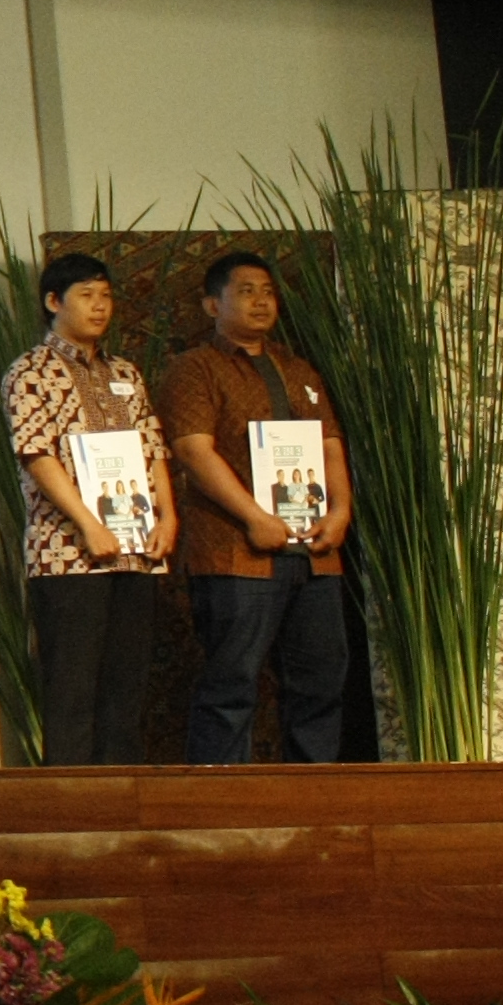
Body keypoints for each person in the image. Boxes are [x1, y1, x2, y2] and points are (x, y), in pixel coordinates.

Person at [159, 249, 354, 765]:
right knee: (232, 683)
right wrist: (255, 518)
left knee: (321, 680)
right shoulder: (195, 368)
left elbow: (330, 445)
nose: (262, 301)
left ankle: (314, 791)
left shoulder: (298, 368)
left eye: (268, 292)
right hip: (238, 553)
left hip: (315, 554)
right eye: (246, 292)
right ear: (212, 305)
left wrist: (340, 512)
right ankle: (221, 799)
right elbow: (193, 451)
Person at [5, 252, 176, 766]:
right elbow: (36, 453)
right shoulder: (30, 371)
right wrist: (88, 523)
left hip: (137, 548)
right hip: (68, 554)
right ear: (53, 302)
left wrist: (168, 516)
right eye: (86, 295)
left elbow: (153, 448)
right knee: (72, 689)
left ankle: (122, 797)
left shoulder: (125, 372)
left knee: (127, 688)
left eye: (105, 295)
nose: (100, 306)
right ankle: (71, 801)